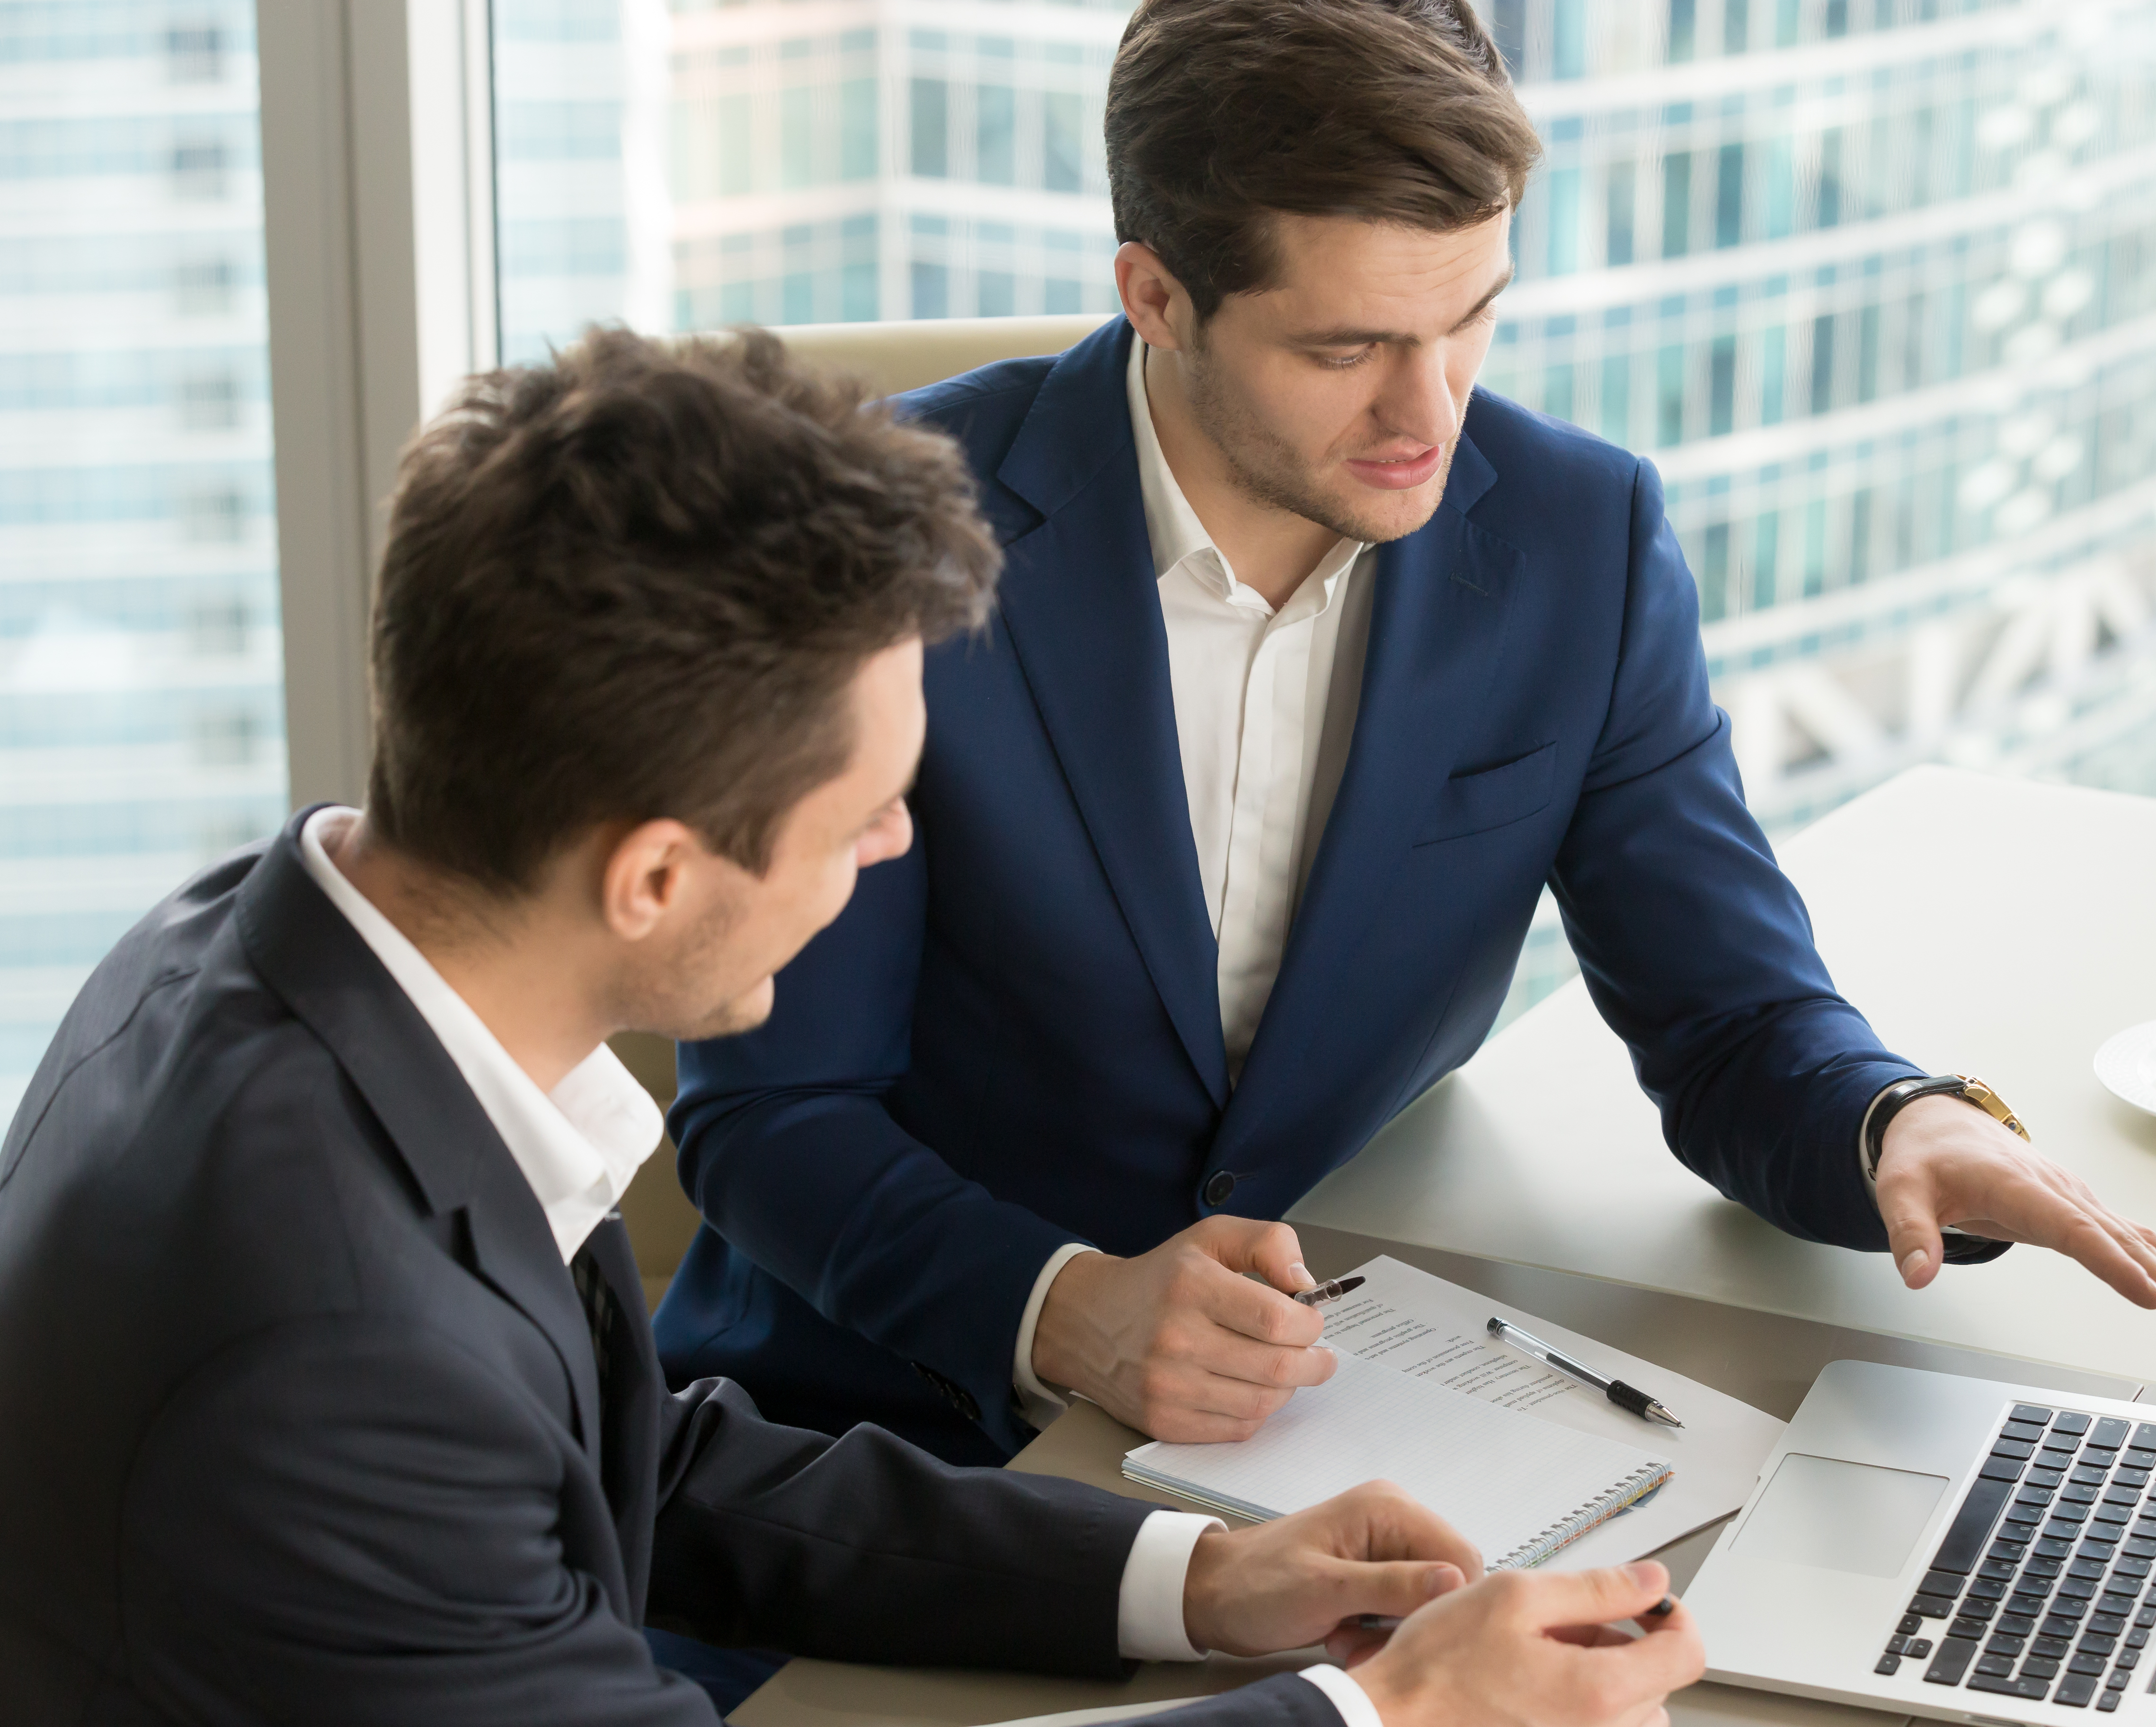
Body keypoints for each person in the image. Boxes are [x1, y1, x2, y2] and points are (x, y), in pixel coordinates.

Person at [0, 328, 1704, 1727]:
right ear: (657, 876)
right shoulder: (330, 1357)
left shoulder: (273, 939)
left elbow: (625, 1464)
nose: (899, 849)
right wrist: (1388, 1720)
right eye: (865, 813)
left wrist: (1195, 1581)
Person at [656, 0, 2156, 1472]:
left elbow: (1729, 1016)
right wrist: (1064, 1307)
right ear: (1155, 296)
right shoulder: (865, 540)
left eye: (1471, 319)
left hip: (1345, 1413)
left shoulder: (1580, 540)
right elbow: (772, 1113)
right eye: (1345, 351)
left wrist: (1896, 1118)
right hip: (880, 1437)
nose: (1432, 415)